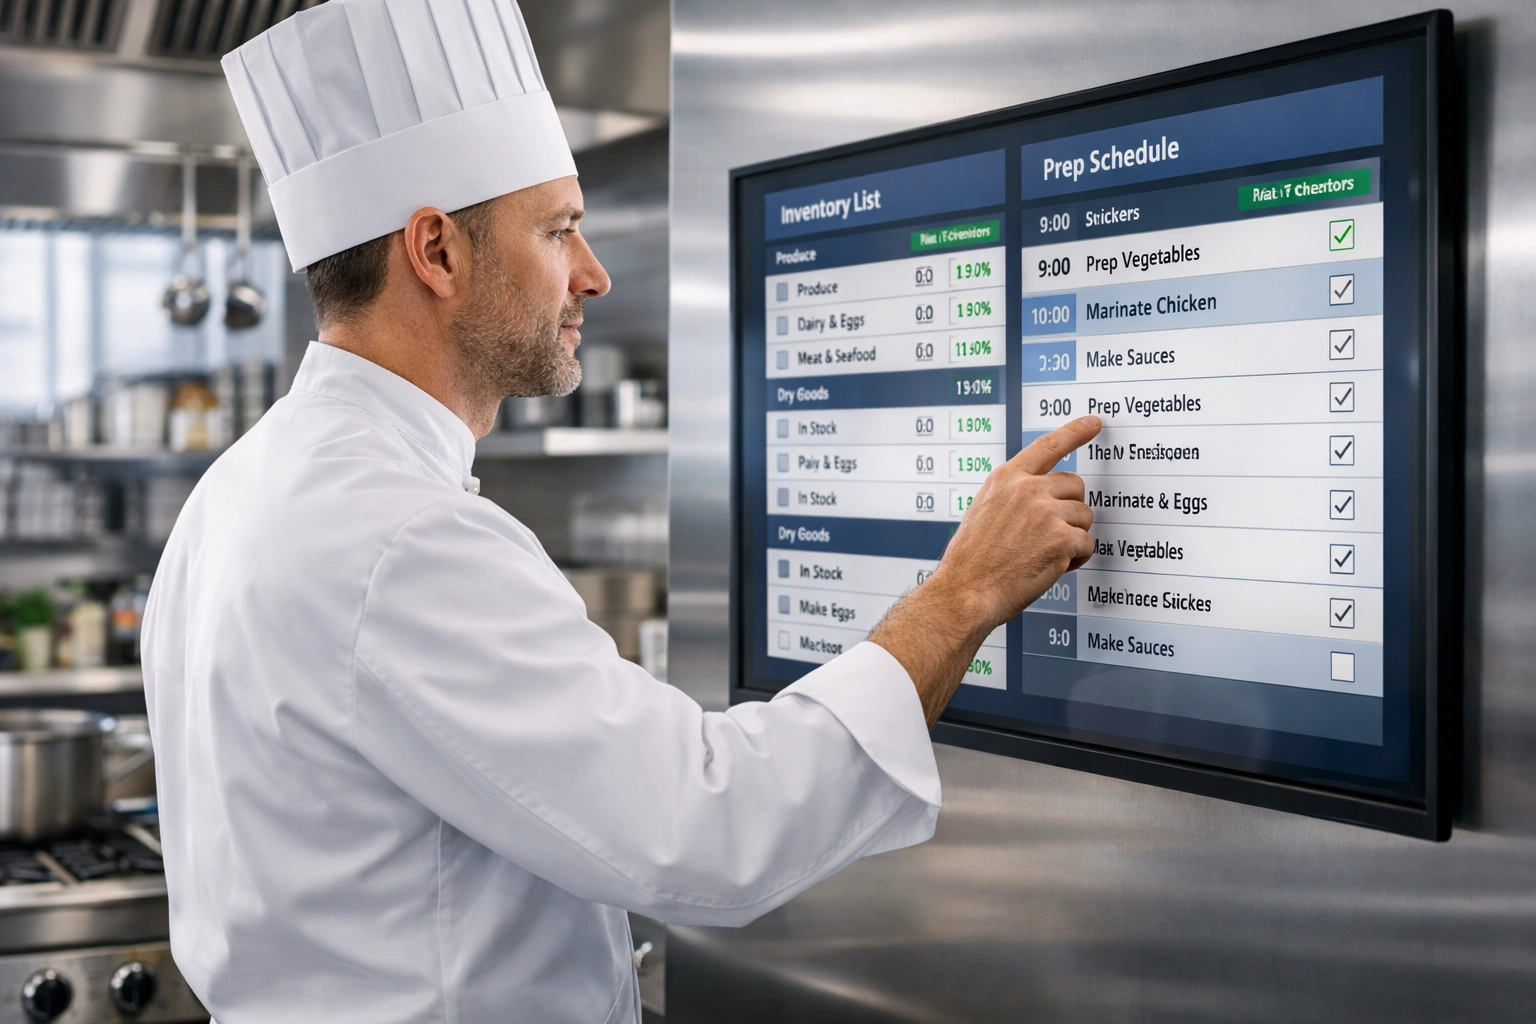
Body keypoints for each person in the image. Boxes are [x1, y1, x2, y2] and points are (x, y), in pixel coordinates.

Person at [141, 0, 1101, 1020]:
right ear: (437, 252)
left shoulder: (243, 489)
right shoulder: (398, 535)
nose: (593, 274)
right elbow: (705, 829)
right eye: (559, 229)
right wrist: (958, 597)